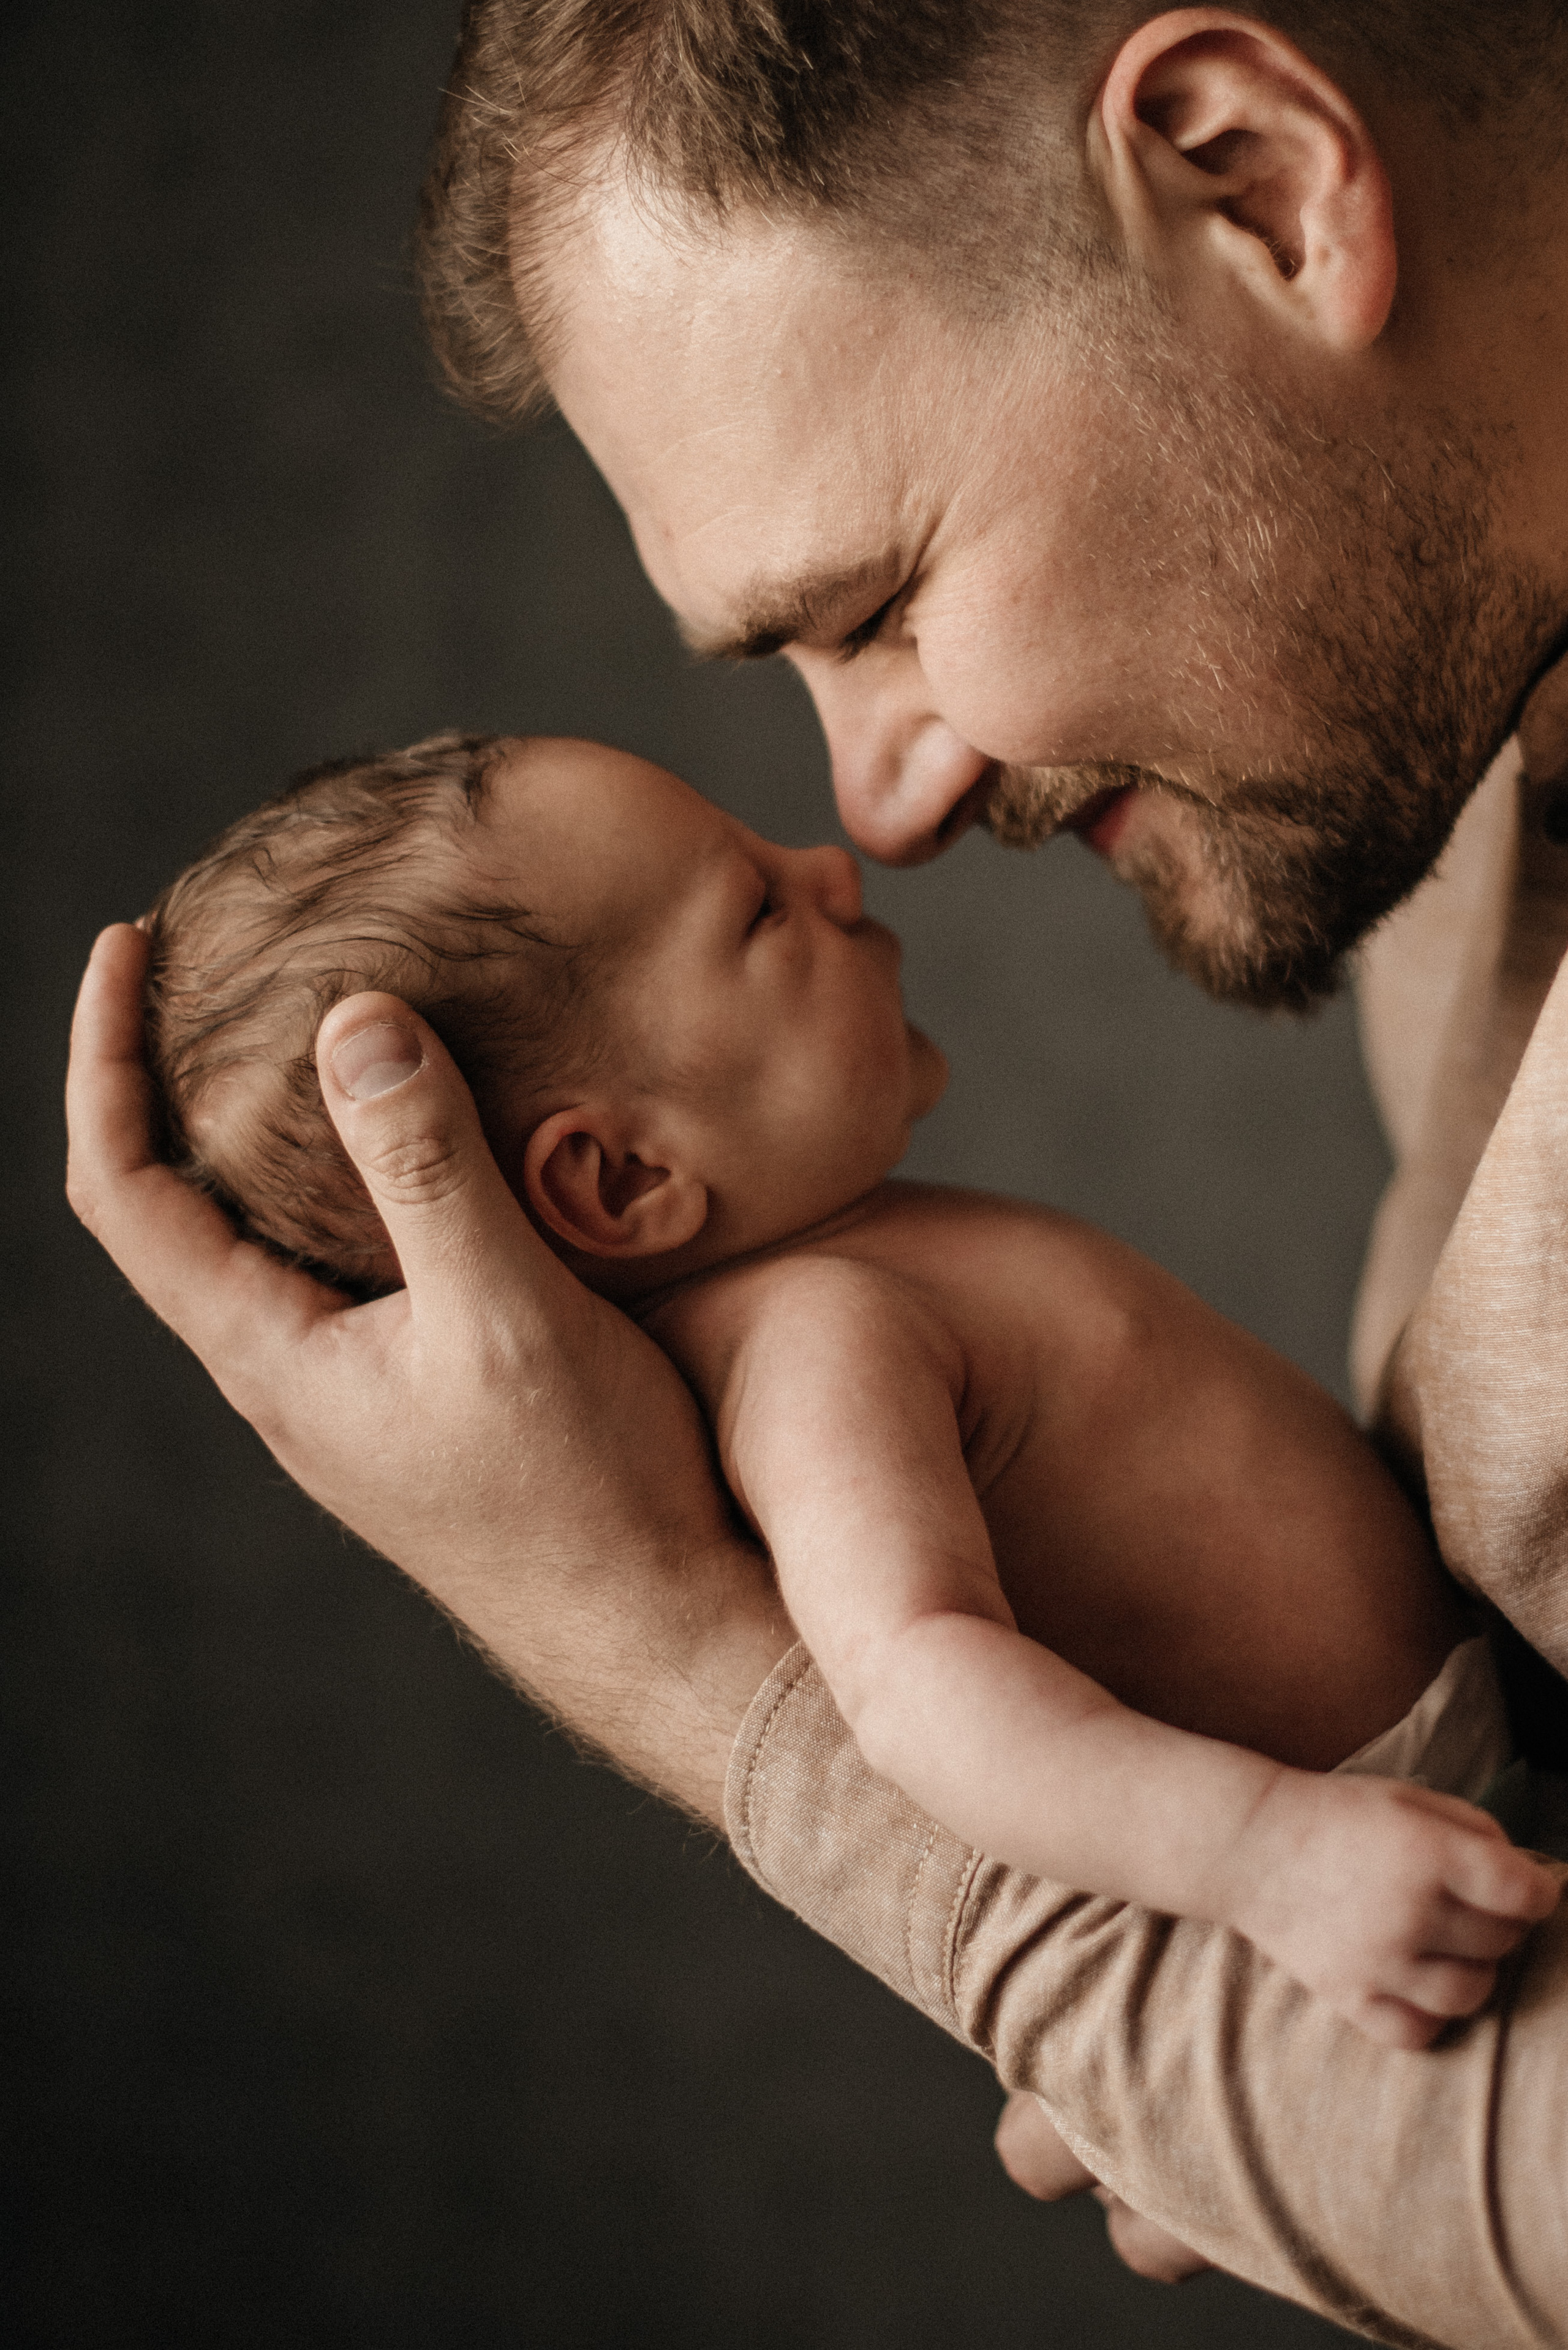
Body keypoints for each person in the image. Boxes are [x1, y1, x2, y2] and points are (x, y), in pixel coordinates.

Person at [64, 4, 1568, 2340]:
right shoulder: (1458, 805)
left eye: (874, 601)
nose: (872, 810)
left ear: (1262, 183)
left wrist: (671, 1653)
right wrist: (1249, 2051)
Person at [143, 727, 1553, 2075]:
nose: (830, 864)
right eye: (757, 906)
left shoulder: (849, 1268)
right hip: (1408, 1828)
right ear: (626, 1179)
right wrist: (1269, 1863)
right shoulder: (816, 1348)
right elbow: (917, 1689)